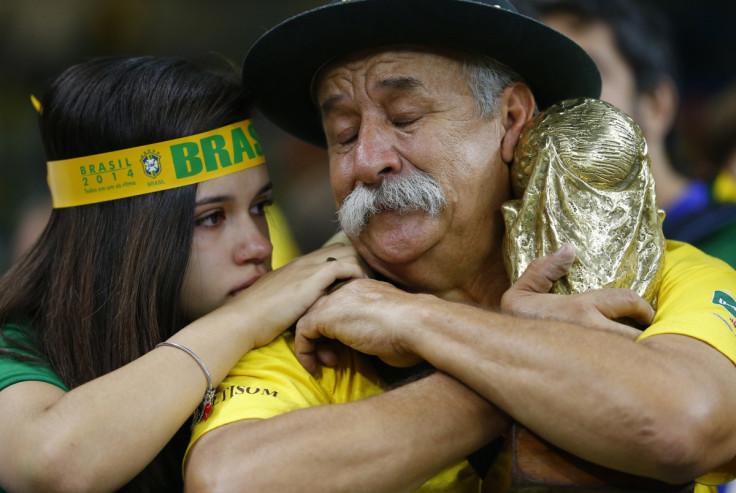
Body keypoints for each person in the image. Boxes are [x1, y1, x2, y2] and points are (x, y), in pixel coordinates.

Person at [182, 0, 736, 492]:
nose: (369, 160)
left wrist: (414, 320)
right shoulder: (318, 324)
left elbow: (686, 424)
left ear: (513, 120)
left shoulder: (670, 274)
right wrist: (546, 361)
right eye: (344, 134)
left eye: (405, 118)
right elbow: (229, 480)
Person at [0, 54, 369, 493]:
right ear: (124, 237)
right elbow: (53, 465)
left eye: (259, 207)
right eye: (211, 218)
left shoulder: (286, 337)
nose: (259, 245)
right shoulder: (15, 346)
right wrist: (244, 318)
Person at [515, 0, 735, 265]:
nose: (559, 100)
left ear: (656, 105)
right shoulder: (523, 246)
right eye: (542, 78)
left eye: (588, 73)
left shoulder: (726, 239)